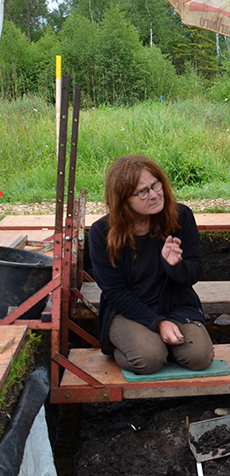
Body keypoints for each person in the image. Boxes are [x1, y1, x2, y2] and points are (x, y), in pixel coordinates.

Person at [89, 156, 214, 375]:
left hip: (176, 305)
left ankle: (160, 344)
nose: (155, 194)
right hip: (128, 311)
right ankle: (136, 345)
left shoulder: (181, 216)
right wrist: (158, 323)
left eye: (156, 185)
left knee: (200, 357)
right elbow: (115, 293)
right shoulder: (102, 233)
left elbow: (194, 271)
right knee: (149, 359)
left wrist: (176, 266)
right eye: (143, 192)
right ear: (123, 200)